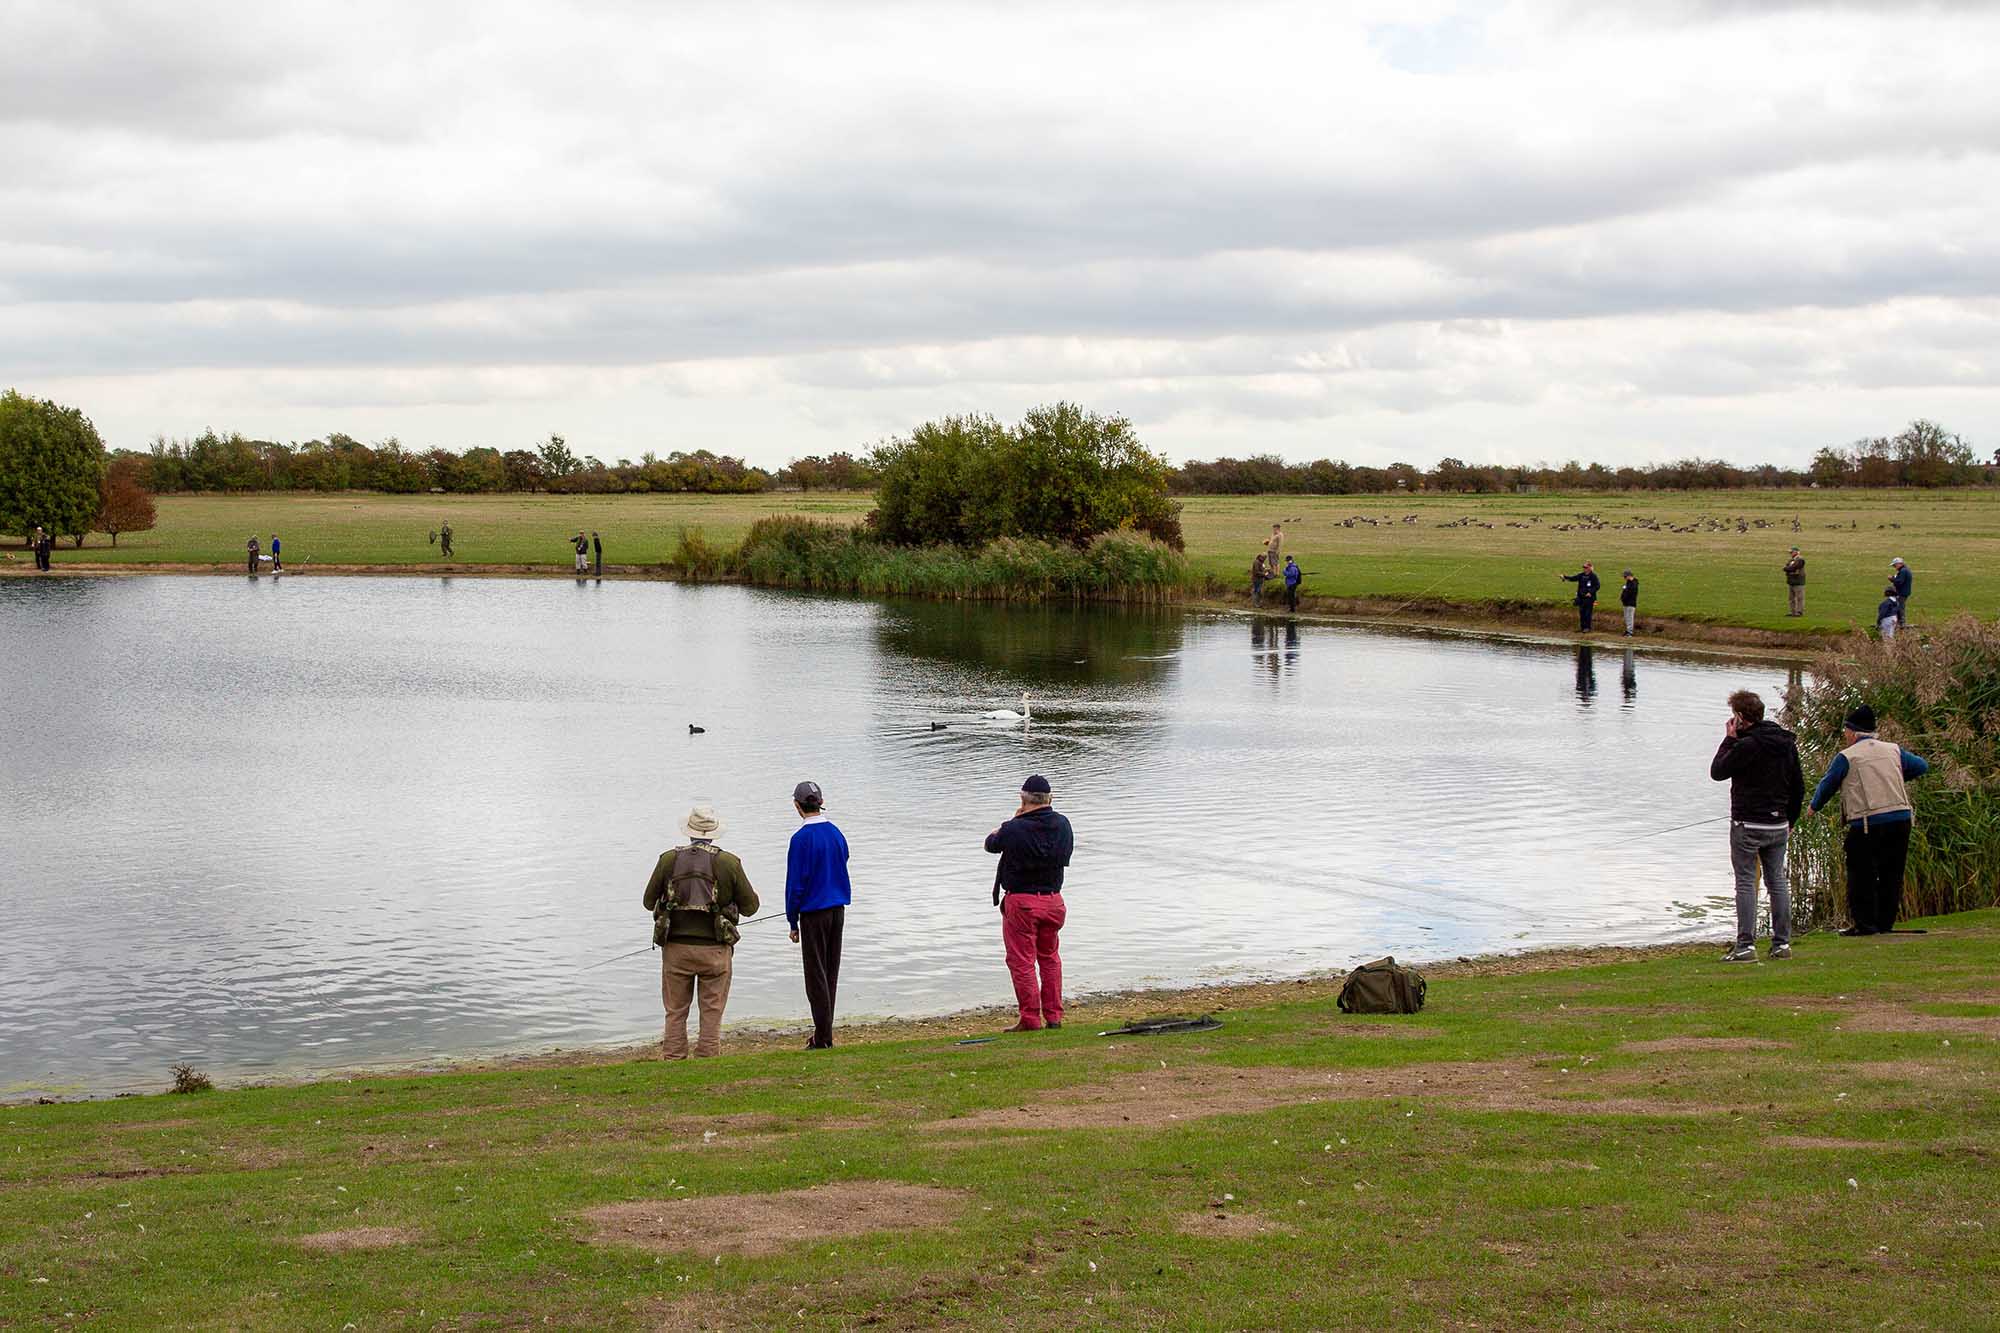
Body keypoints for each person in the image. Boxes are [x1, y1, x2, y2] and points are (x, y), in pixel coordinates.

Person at [641, 804, 759, 1059]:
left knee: (675, 1010)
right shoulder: (729, 862)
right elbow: (751, 908)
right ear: (714, 833)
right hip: (716, 949)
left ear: (688, 831)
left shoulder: (668, 860)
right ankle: (707, 1058)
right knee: (712, 1010)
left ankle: (673, 1058)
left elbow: (648, 902)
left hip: (675, 949)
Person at [1808, 704, 1929, 936]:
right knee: (1891, 873)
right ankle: (1884, 924)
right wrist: (1895, 776)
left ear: (1853, 732)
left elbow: (1829, 784)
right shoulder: (1893, 750)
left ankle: (1865, 925)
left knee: (1860, 873)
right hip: (1901, 818)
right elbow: (1922, 766)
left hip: (1867, 821)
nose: (1844, 735)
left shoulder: (1847, 756)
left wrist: (1814, 807)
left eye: (1846, 731)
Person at [1708, 690, 1803, 962]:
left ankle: (1746, 945)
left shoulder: (1746, 745)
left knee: (1747, 882)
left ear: (1739, 718)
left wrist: (1728, 739)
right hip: (1778, 824)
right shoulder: (1786, 744)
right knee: (1777, 881)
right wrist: (1790, 820)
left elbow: (1717, 771)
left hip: (1747, 823)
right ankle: (1782, 943)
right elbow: (1798, 786)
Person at [985, 774, 1074, 1031]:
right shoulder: (1063, 824)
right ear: (1050, 799)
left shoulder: (1014, 828)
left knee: (1022, 960)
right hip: (1054, 900)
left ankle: (1030, 1018)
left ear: (1023, 799)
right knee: (1050, 958)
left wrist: (1014, 820)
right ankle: (1054, 1016)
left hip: (1022, 901)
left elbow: (991, 844)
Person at [785, 780, 851, 1050]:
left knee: (816, 975)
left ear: (797, 806)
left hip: (814, 913)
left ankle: (823, 1037)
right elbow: (844, 859)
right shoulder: (836, 833)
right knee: (830, 971)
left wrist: (792, 920)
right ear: (821, 802)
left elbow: (795, 884)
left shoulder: (800, 839)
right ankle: (824, 1032)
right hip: (837, 909)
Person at [1561, 562, 1600, 631]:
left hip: (1589, 598)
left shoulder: (1593, 576)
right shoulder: (1581, 575)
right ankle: (1582, 628)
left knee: (1588, 613)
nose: (1584, 569)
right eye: (1584, 567)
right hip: (1581, 597)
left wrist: (1590, 592)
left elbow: (1597, 586)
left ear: (1590, 568)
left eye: (1586, 567)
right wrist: (1565, 577)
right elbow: (1573, 578)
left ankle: (1587, 628)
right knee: (1582, 613)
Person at [1783, 548, 1806, 617]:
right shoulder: (1791, 560)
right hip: (1791, 581)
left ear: (1797, 552)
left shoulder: (1800, 560)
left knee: (1799, 597)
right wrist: (1788, 568)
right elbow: (1787, 567)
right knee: (1791, 598)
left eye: (1792, 552)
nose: (1791, 553)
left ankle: (1799, 612)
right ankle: (1792, 611)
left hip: (1798, 581)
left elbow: (1793, 567)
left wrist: (1788, 568)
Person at [1889, 558, 1911, 625]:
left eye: (1895, 565)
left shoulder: (1903, 571)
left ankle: (1902, 623)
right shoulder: (1904, 570)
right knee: (1900, 607)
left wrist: (1892, 579)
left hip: (1902, 593)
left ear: (1899, 564)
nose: (1894, 567)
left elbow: (1899, 582)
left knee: (1900, 608)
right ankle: (1900, 622)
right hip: (1904, 592)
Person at [1619, 569, 1639, 636]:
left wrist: (1624, 597)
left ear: (1629, 576)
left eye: (1625, 576)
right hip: (1625, 603)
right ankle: (1627, 630)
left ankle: (1630, 632)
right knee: (1626, 617)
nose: (1624, 578)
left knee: (1630, 617)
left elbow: (1630, 593)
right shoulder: (1628, 582)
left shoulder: (1633, 583)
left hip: (1631, 603)